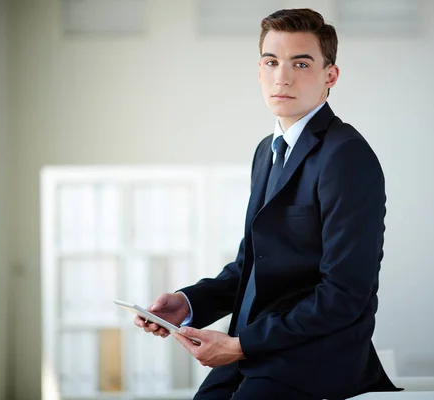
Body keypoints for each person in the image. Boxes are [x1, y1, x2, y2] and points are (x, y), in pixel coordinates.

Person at [134, 8, 400, 399]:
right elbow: (251, 266)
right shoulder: (267, 151)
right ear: (259, 71)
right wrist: (187, 304)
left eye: (301, 63)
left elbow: (345, 294)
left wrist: (241, 345)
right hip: (259, 347)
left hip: (315, 355)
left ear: (330, 76)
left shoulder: (346, 155)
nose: (283, 76)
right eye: (271, 62)